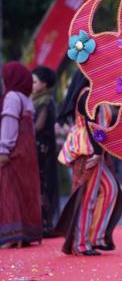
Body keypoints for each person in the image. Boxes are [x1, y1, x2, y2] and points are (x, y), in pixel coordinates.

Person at [54, 71, 122, 256]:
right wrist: (98, 152)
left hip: (93, 150)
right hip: (88, 150)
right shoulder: (88, 94)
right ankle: (81, 244)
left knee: (110, 190)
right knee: (88, 197)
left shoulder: (93, 93)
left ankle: (94, 237)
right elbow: (94, 128)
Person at [0, 62, 42, 248]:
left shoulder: (11, 97)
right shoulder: (26, 98)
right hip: (27, 152)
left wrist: (3, 149)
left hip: (14, 150)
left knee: (9, 191)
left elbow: (9, 124)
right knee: (24, 190)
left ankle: (12, 236)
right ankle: (24, 235)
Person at [31, 66, 60, 237]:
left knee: (44, 185)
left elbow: (38, 127)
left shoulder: (46, 101)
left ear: (44, 84)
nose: (32, 85)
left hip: (43, 148)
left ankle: (46, 225)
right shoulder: (35, 99)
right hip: (39, 147)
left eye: (34, 82)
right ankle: (42, 223)